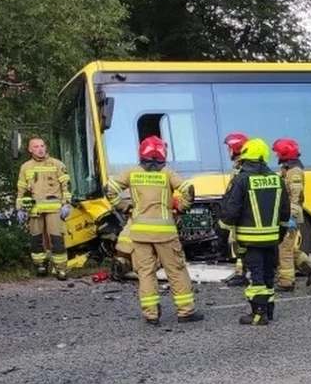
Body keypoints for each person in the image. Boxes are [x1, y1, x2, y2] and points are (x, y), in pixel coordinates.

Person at [106, 136, 203, 325]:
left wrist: (124, 207)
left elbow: (109, 189)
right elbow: (188, 190)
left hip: (140, 232)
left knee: (145, 272)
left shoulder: (131, 173)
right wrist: (181, 208)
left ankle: (151, 314)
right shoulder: (167, 173)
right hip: (165, 233)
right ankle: (185, 312)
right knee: (175, 270)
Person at [218, 138, 289, 325]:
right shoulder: (277, 179)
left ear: (245, 154)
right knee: (268, 274)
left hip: (250, 240)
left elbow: (231, 211)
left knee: (256, 276)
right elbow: (285, 212)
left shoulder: (242, 179)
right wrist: (279, 235)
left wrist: (221, 237)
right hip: (272, 239)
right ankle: (269, 310)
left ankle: (258, 315)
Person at [271, 138, 311, 292]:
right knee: (286, 246)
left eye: (277, 152)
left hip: (291, 215)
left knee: (284, 248)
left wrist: (292, 217)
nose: (275, 155)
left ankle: (286, 282)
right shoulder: (288, 168)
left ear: (285, 152)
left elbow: (296, 196)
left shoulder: (294, 171)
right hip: (287, 214)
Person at [15, 137, 72, 279]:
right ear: (30, 149)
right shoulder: (26, 167)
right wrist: (19, 208)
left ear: (45, 147)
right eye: (36, 147)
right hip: (34, 209)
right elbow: (21, 190)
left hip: (54, 208)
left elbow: (66, 186)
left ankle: (61, 269)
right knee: (36, 239)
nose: (40, 149)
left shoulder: (57, 164)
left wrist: (67, 203)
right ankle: (40, 265)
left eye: (42, 146)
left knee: (57, 239)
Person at [221, 132, 249, 287]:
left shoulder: (241, 166)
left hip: (240, 211)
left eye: (229, 148)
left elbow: (235, 189)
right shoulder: (239, 164)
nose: (227, 151)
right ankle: (240, 272)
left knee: (241, 243)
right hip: (239, 209)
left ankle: (242, 274)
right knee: (238, 242)